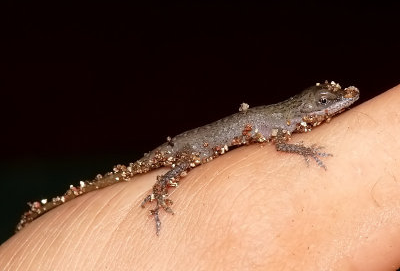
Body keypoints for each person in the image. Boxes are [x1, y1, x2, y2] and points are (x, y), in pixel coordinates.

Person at [1, 84, 400, 270]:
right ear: (309, 108)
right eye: (328, 102)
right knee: (183, 167)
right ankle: (157, 194)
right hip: (192, 146)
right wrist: (307, 150)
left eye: (331, 102)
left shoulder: (288, 116)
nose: (339, 104)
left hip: (197, 141)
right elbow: (281, 147)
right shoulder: (285, 126)